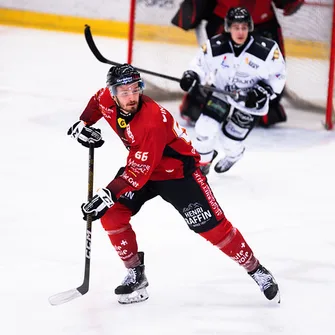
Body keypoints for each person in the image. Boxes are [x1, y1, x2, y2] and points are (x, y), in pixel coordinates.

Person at [67, 63, 280, 304]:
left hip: (178, 175)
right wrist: (83, 123)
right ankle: (136, 273)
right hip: (143, 167)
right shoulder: (106, 97)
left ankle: (256, 270)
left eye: (135, 90)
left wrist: (107, 194)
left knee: (211, 227)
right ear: (113, 93)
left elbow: (137, 173)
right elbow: (97, 102)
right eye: (124, 92)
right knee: (112, 214)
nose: (131, 97)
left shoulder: (151, 120)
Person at [179, 7, 286, 175]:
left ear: (250, 27)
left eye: (244, 27)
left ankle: (234, 154)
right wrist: (191, 75)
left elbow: (279, 75)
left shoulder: (266, 50)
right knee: (204, 128)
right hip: (222, 92)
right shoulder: (216, 46)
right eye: (236, 27)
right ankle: (203, 162)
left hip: (250, 100)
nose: (240, 32)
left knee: (229, 139)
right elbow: (199, 64)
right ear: (228, 27)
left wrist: (263, 91)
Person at [172, 0, 304, 127]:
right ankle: (201, 103)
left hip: (263, 23)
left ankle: (259, 106)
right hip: (225, 24)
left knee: (268, 72)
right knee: (218, 70)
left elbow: (277, 74)